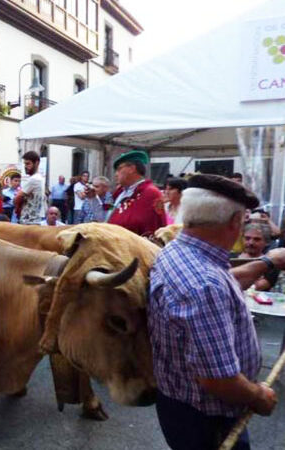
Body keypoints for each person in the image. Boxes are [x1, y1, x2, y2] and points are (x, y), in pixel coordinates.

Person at [149, 174, 281, 450]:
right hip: (208, 419)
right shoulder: (205, 285)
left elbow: (223, 282)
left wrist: (267, 262)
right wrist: (258, 396)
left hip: (181, 405)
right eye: (243, 221)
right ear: (234, 222)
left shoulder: (178, 250)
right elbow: (219, 380)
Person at [108, 150, 166, 236]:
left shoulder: (151, 193)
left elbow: (153, 227)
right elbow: (107, 216)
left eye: (119, 169)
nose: (116, 174)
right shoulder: (120, 193)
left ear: (132, 169)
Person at [236, 222, 279, 291]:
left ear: (266, 242)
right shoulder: (231, 258)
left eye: (257, 239)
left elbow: (258, 286)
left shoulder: (271, 264)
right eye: (247, 238)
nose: (251, 243)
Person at [15, 151, 46, 225]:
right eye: (25, 164)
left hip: (28, 220)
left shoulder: (33, 179)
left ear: (37, 163)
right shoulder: (40, 178)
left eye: (28, 163)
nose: (26, 166)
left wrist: (17, 207)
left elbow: (18, 197)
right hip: (35, 219)